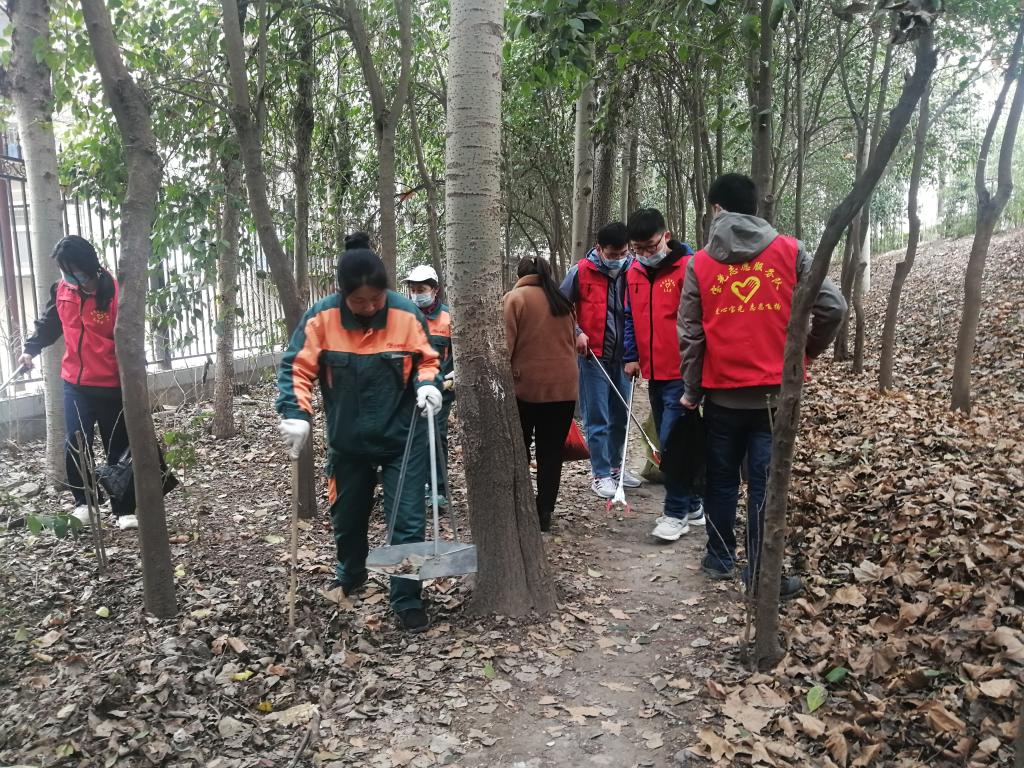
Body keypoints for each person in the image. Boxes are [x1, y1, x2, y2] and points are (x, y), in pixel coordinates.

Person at [678, 173, 846, 599]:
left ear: (717, 209)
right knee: (765, 485)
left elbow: (691, 335)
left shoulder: (700, 264)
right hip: (776, 397)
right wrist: (803, 353)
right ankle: (760, 574)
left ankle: (719, 558)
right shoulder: (791, 251)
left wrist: (692, 391)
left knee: (720, 480)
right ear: (755, 208)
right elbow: (833, 306)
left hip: (721, 398)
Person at [276, 232, 442, 633]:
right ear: (342, 293)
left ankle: (406, 597)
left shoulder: (406, 314)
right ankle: (351, 573)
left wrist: (428, 386)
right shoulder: (321, 319)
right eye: (359, 301)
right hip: (347, 441)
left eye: (376, 299)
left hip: (403, 439)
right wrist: (296, 412)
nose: (368, 307)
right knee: (347, 518)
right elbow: (297, 367)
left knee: (407, 521)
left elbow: (428, 359)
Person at [19, 235, 136, 530]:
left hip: (110, 383)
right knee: (75, 442)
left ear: (90, 266)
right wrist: (30, 349)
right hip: (75, 383)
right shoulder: (62, 290)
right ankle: (85, 503)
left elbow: (128, 339)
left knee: (117, 446)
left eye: (76, 272)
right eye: (66, 272)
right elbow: (50, 323)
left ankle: (124, 508)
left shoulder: (114, 292)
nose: (71, 278)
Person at [623, 208, 705, 541]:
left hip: (683, 372)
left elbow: (701, 320)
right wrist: (631, 355)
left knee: (673, 445)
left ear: (666, 237)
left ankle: (675, 514)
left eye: (650, 246)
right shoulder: (634, 272)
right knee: (671, 441)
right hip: (654, 374)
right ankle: (694, 507)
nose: (645, 254)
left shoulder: (689, 267)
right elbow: (630, 316)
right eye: (638, 249)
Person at [560, 222, 642, 499]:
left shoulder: (634, 270)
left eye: (623, 253)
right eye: (613, 254)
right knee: (598, 417)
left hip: (625, 358)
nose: (619, 259)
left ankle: (617, 468)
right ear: (599, 249)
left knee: (620, 416)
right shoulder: (581, 271)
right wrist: (577, 332)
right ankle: (601, 474)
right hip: (593, 357)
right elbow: (560, 307)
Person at [503, 256, 578, 532]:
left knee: (520, 450)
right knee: (551, 453)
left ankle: (521, 509)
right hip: (564, 389)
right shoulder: (562, 301)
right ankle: (544, 511)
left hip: (527, 388)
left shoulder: (514, 299)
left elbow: (506, 346)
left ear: (519, 275)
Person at [402, 265, 454, 502]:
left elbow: (456, 356)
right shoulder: (406, 318)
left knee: (436, 436)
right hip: (410, 389)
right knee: (414, 438)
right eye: (413, 290)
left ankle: (438, 489)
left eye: (421, 289)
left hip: (441, 389)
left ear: (435, 290)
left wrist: (449, 379)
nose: (416, 294)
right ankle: (418, 484)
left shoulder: (448, 318)